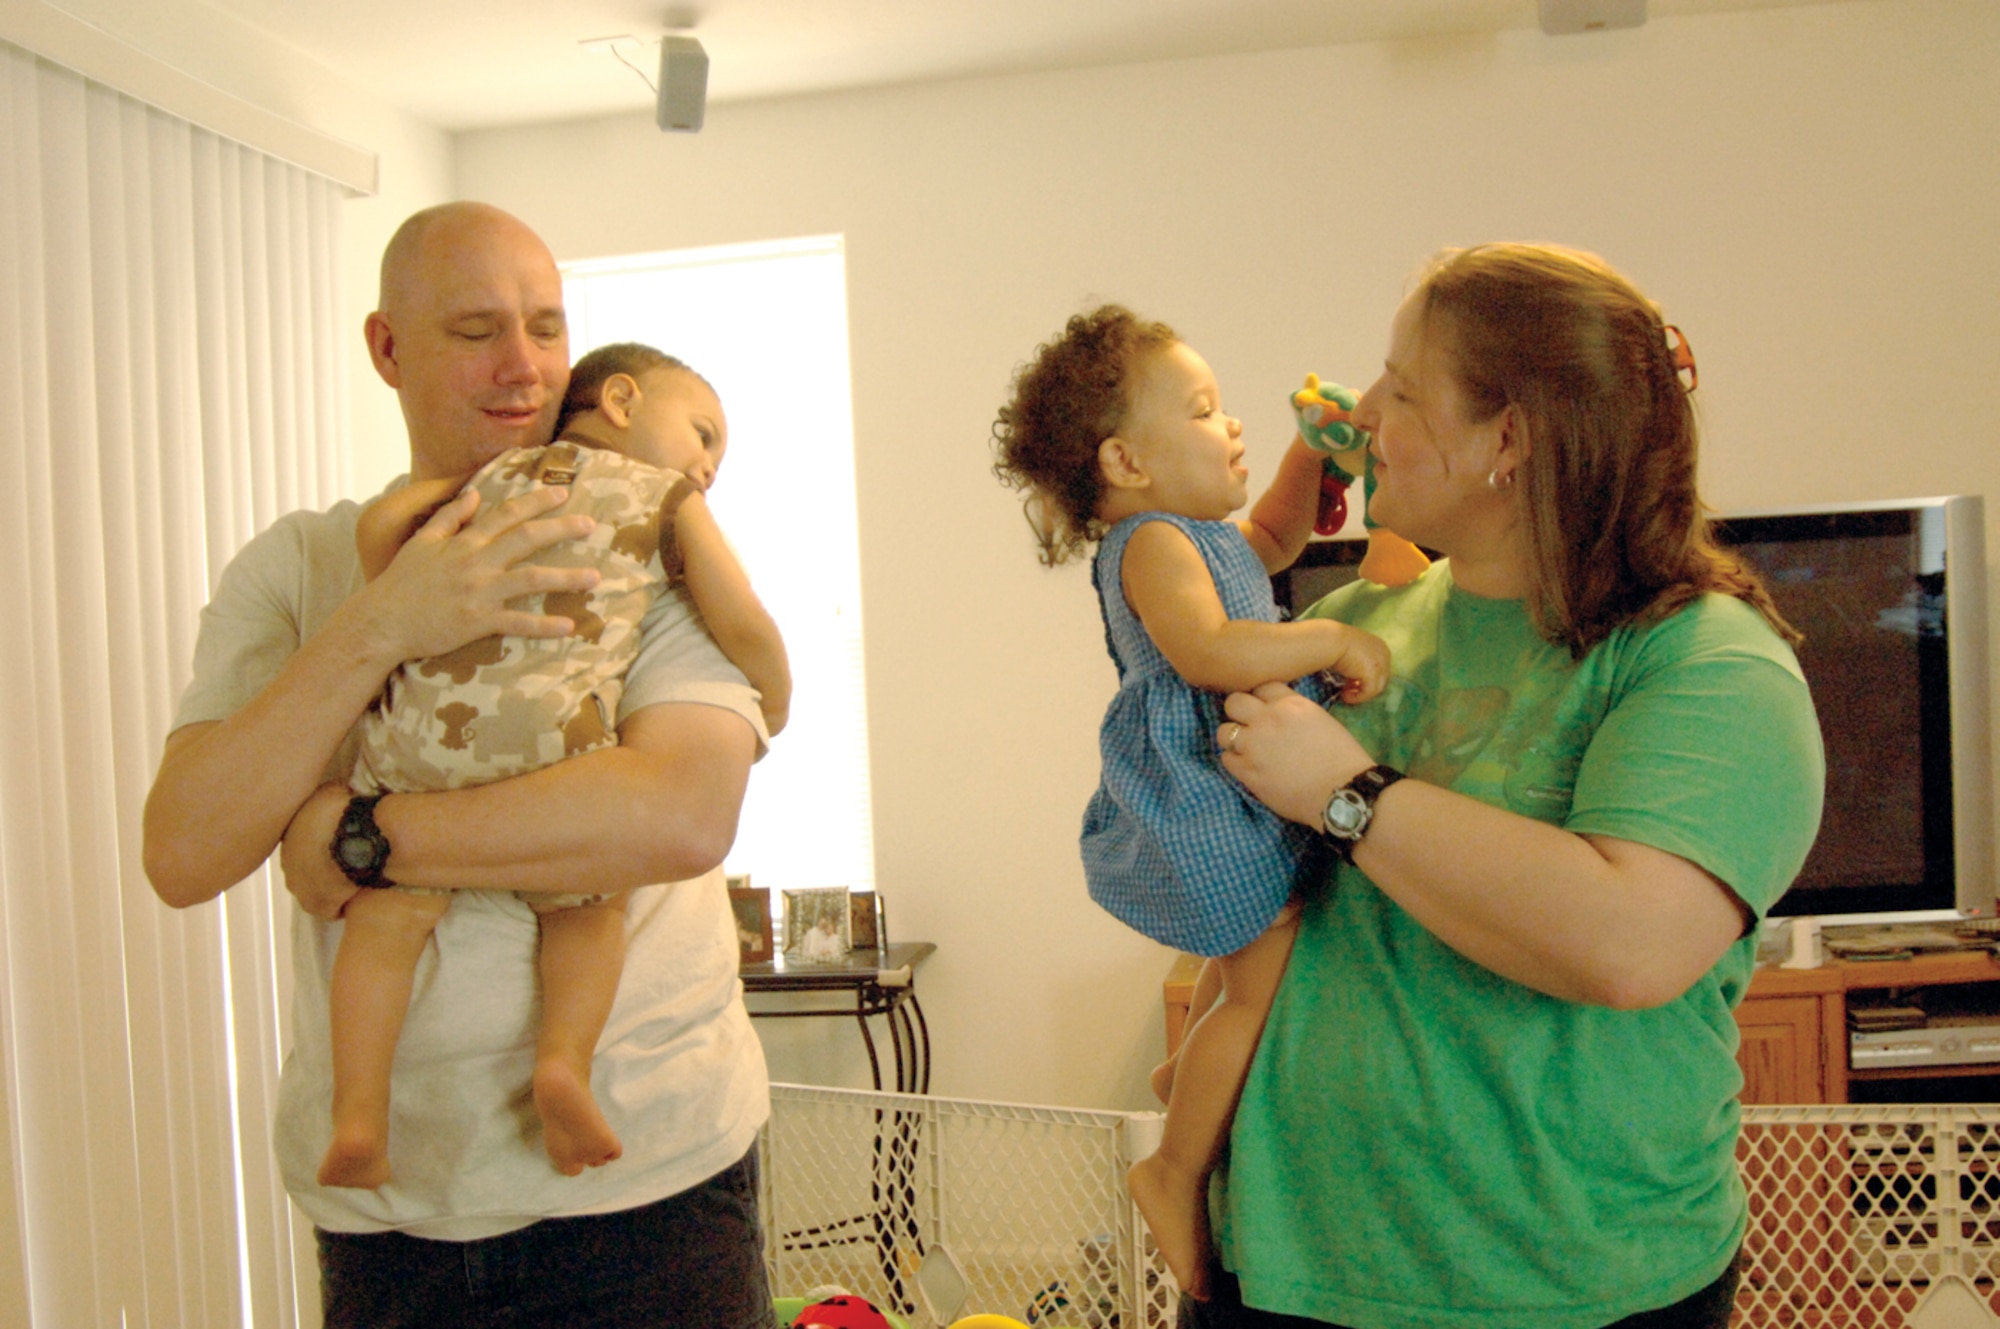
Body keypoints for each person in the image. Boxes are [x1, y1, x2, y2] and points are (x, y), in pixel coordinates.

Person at [142, 201, 775, 1329]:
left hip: (651, 1189)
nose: (524, 367)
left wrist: (358, 832)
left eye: (545, 327)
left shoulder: (635, 537)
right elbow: (186, 850)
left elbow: (678, 814)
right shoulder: (297, 567)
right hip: (391, 1218)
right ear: (386, 347)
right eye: (477, 329)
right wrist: (383, 623)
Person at [1199, 243, 1825, 1328]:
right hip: (1281, 1269)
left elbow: (1630, 941)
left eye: (1400, 385)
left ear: (1511, 438)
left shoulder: (1707, 664)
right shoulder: (1342, 633)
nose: (1361, 409)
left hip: (1561, 1291)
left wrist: (1348, 795)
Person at [319, 341, 791, 1189]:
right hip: (550, 734)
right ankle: (563, 1066)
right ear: (619, 399)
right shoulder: (664, 497)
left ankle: (357, 1112)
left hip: (432, 729)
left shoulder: (492, 477)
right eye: (704, 432)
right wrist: (776, 691)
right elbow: (742, 617)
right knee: (590, 909)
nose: (710, 464)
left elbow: (381, 533)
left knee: (384, 924)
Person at [990, 306, 1390, 1300]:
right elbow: (1208, 652)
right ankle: (1170, 1168)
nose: (1231, 427)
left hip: (1234, 781)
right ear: (1125, 459)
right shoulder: (1149, 545)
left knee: (1244, 946)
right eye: (1204, 411)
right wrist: (1329, 643)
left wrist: (1311, 454)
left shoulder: (1204, 537)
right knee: (1264, 962)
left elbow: (1276, 535)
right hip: (1202, 791)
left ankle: (1182, 1085)